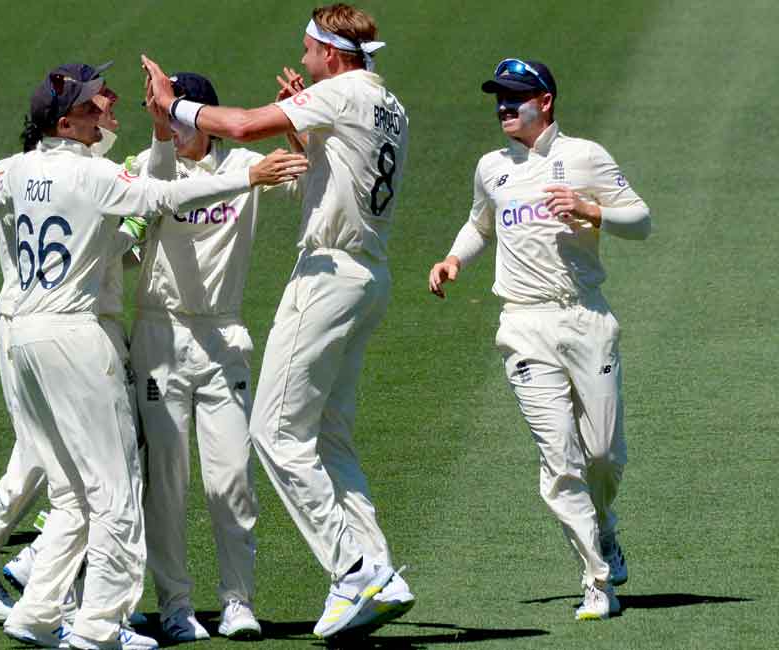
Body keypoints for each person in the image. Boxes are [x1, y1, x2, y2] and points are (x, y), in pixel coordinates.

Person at [0, 65, 306, 650]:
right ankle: (100, 626)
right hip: (77, 336)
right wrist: (245, 176)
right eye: (92, 107)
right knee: (117, 492)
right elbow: (167, 193)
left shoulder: (22, 168)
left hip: (21, 336)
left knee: (72, 491)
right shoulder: (96, 176)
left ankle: (36, 612)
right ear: (66, 121)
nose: (104, 111)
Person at [142, 2, 414, 637]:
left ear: (334, 53)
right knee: (328, 437)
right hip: (370, 274)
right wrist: (307, 125)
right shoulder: (387, 101)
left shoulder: (342, 90)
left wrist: (173, 107)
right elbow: (337, 167)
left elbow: (238, 127)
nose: (304, 61)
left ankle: (353, 572)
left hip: (326, 274)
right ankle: (378, 567)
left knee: (275, 434)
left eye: (310, 49)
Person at [427, 58, 651, 621]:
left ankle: (606, 526)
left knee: (601, 454)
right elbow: (479, 225)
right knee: (560, 459)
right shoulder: (491, 168)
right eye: (498, 97)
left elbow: (641, 220)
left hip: (586, 320)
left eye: (515, 97)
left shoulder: (585, 156)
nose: (503, 106)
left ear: (544, 101)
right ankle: (596, 580)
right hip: (523, 326)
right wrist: (455, 258)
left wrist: (591, 210)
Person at [0, 62, 133, 630]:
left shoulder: (72, 162)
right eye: (100, 96)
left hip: (70, 325)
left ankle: (53, 584)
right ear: (67, 117)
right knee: (41, 462)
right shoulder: (37, 171)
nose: (111, 101)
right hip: (37, 322)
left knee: (67, 470)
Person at [127, 72, 297, 642]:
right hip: (159, 336)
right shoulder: (153, 162)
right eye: (165, 116)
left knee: (230, 481)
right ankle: (175, 606)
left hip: (223, 337)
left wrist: (298, 119)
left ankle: (237, 601)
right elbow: (139, 209)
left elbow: (305, 176)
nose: (173, 129)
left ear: (204, 118)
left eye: (180, 117)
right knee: (166, 483)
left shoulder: (240, 167)